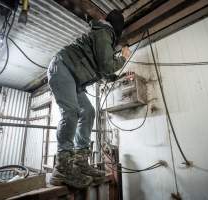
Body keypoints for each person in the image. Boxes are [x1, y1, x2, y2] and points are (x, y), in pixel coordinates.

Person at [47, 9, 131, 188]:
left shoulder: (104, 35)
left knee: (88, 112)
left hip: (73, 76)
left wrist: (114, 77)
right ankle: (62, 168)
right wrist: (123, 59)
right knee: (71, 111)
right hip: (62, 67)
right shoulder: (104, 32)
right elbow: (107, 65)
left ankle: (80, 162)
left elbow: (102, 69)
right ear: (118, 27)